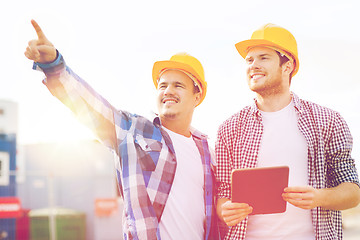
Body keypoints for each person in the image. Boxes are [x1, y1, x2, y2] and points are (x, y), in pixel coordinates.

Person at [25, 19, 219, 240]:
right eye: (162, 85)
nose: (168, 91)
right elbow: (90, 106)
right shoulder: (135, 132)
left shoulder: (207, 151)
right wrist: (54, 65)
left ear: (197, 95)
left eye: (178, 85)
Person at [215, 23, 360, 240]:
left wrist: (320, 197)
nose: (253, 65)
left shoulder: (327, 120)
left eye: (263, 57)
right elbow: (223, 193)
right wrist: (224, 209)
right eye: (249, 60)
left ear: (287, 65)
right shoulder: (230, 128)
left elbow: (353, 191)